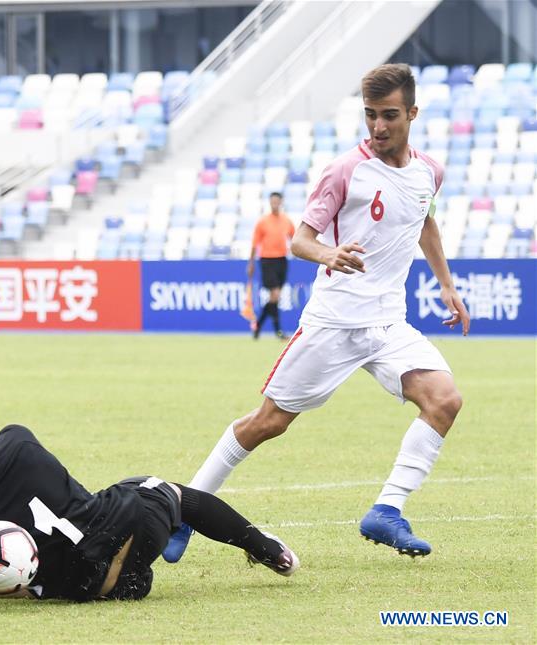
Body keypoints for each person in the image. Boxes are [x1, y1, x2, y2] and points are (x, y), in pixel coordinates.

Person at [163, 63, 470, 563]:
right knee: (268, 423)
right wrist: (329, 255)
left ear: (413, 113)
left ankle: (387, 510)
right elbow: (300, 238)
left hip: (389, 323)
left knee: (445, 400)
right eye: (370, 115)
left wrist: (447, 286)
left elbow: (425, 221)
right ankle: (186, 510)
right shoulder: (345, 170)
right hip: (332, 322)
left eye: (390, 115)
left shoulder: (428, 171)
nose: (378, 127)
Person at [0, 410, 299, 604]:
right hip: (127, 529)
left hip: (94, 588)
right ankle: (268, 550)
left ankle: (25, 581)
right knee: (165, 490)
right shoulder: (19, 441)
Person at [247, 192, 295, 339]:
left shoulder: (287, 221)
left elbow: (296, 238)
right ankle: (278, 332)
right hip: (267, 260)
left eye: (277, 201)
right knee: (275, 294)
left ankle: (258, 325)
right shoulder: (263, 222)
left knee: (276, 297)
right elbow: (255, 244)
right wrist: (251, 263)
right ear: (270, 202)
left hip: (282, 260)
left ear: (281, 202)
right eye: (272, 201)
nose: (274, 203)